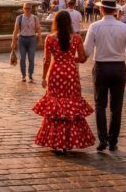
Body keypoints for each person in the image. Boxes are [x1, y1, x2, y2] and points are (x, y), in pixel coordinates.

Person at [33, 11, 95, 153]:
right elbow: (83, 58)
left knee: (55, 107)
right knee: (71, 105)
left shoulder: (50, 38)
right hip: (71, 74)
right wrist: (71, 60)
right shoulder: (76, 38)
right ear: (69, 23)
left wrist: (43, 77)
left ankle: (55, 141)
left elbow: (47, 60)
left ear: (56, 22)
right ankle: (68, 141)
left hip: (56, 73)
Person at [83, 0, 126, 152]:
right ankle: (113, 140)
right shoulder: (124, 27)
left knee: (100, 105)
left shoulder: (94, 26)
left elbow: (86, 50)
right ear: (115, 10)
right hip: (119, 68)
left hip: (101, 67)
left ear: (101, 9)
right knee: (116, 106)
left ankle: (103, 139)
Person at [11, 3, 40, 82]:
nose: (27, 10)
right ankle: (23, 75)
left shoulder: (35, 18)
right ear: (23, 8)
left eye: (29, 8)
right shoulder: (19, 18)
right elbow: (15, 30)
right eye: (26, 8)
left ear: (31, 9)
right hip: (22, 39)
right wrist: (13, 42)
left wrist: (40, 40)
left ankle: (30, 75)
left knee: (31, 59)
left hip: (32, 39)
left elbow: (38, 29)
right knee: (22, 59)